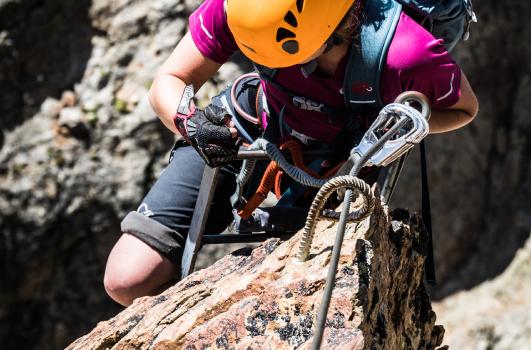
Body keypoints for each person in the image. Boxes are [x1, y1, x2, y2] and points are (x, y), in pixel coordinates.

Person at [103, 0, 479, 306]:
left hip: (341, 160)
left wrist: (388, 134)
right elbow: (170, 81)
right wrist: (190, 123)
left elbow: (463, 109)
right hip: (250, 125)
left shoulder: (408, 54)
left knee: (307, 298)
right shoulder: (242, 8)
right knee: (127, 279)